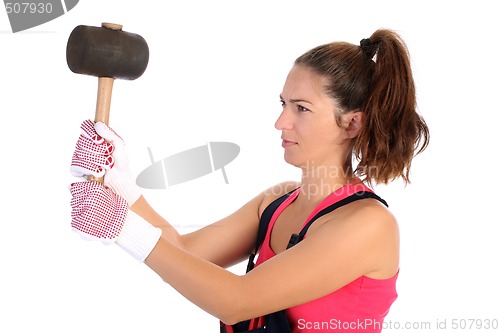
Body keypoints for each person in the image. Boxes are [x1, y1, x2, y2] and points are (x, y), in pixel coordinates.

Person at [69, 28, 429, 333]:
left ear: (352, 123)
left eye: (301, 108)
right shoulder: (277, 200)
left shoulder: (368, 225)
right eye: (283, 104)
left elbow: (236, 301)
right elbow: (187, 253)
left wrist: (121, 227)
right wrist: (122, 185)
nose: (280, 122)